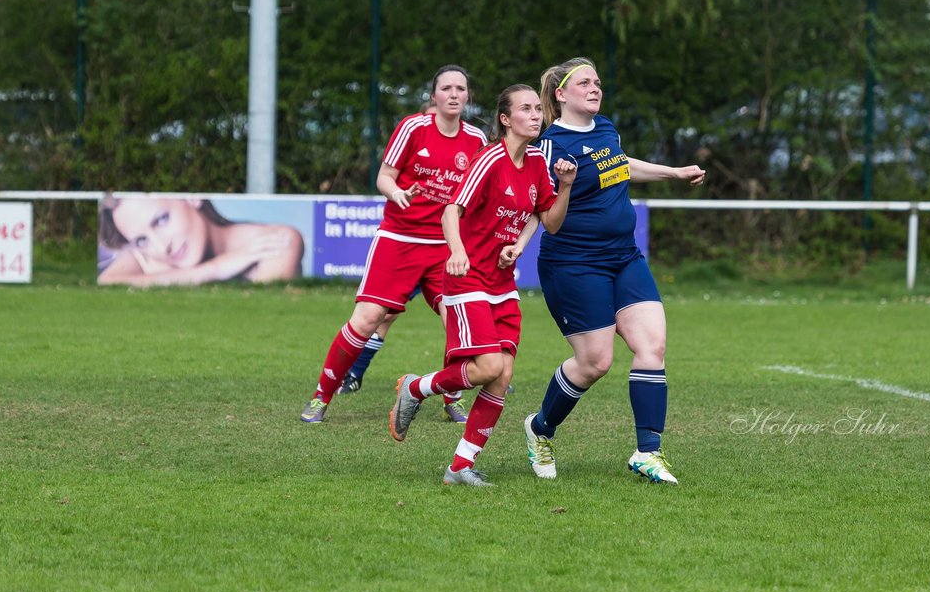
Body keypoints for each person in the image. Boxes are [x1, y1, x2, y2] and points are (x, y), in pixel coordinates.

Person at [523, 57, 705, 485]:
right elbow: (536, 205)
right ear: (560, 94)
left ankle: (648, 451)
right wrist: (515, 245)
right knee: (595, 362)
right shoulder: (549, 145)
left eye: (598, 81)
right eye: (584, 82)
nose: (595, 87)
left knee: (651, 347)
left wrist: (673, 172)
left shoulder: (606, 128)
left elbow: (621, 165)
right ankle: (539, 429)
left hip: (623, 256)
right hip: (573, 263)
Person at [389, 84, 576, 487]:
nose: (535, 115)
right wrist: (456, 251)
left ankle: (460, 467)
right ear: (506, 119)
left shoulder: (538, 166)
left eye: (536, 109)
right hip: (467, 278)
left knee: (502, 376)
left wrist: (563, 190)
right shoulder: (490, 158)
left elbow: (548, 220)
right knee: (489, 366)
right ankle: (416, 387)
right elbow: (451, 211)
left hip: (501, 284)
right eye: (525, 109)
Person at [301, 66, 486, 424]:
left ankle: (453, 397)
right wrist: (398, 192)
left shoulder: (476, 139)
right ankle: (321, 397)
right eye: (445, 88)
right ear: (433, 96)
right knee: (368, 318)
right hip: (399, 240)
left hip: (444, 247)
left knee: (458, 320)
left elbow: (476, 194)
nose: (453, 94)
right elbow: (384, 177)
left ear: (467, 97)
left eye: (460, 88)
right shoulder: (413, 128)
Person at [97, 196, 303, 286]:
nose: (161, 247)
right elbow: (106, 284)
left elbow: (259, 331)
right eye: (142, 240)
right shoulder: (147, 257)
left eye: (162, 220)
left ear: (191, 197)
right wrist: (213, 270)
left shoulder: (275, 242)